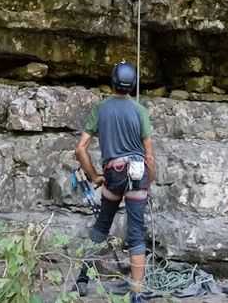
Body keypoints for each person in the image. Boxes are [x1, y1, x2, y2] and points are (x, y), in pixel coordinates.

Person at [75, 62, 156, 302]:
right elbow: (149, 156)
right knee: (136, 234)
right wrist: (149, 180)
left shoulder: (100, 109)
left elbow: (80, 149)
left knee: (102, 225)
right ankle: (136, 294)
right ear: (133, 85)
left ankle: (82, 279)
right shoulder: (140, 111)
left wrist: (94, 176)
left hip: (113, 173)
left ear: (112, 82)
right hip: (137, 174)